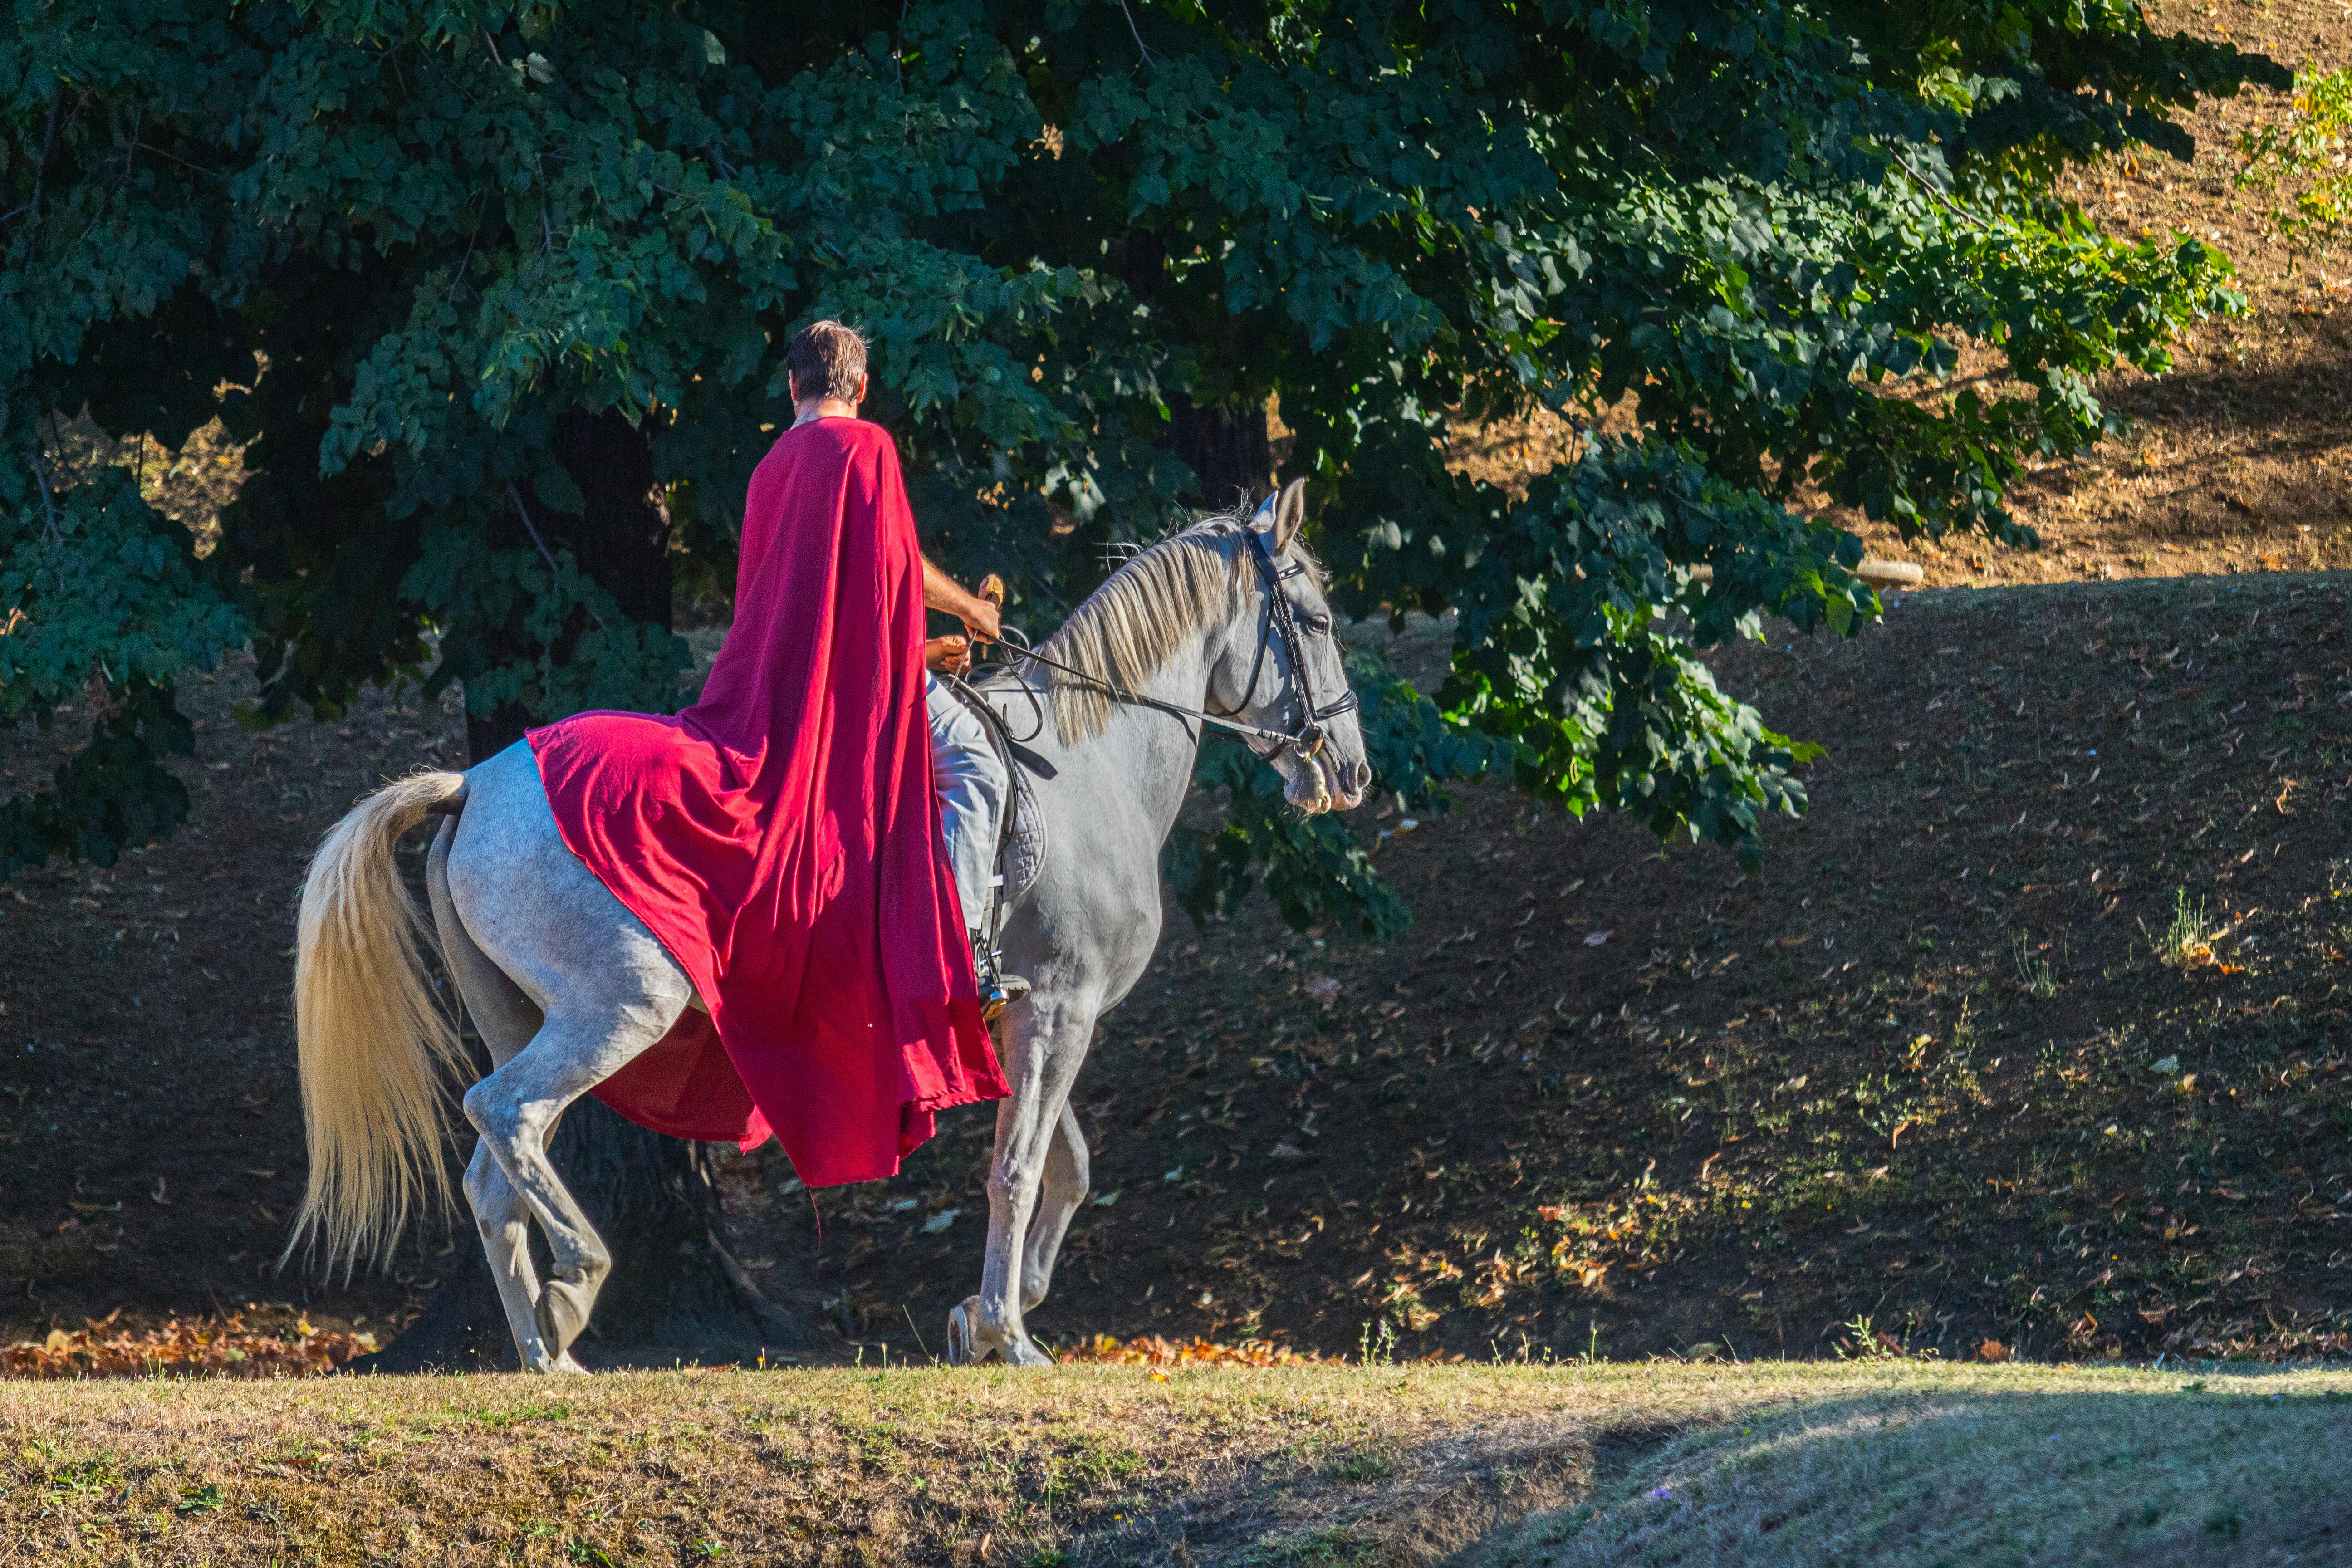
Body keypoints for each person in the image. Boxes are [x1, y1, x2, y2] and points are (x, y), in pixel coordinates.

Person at [784, 323, 1025, 1014]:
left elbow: (815, 616)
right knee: (978, 764)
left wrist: (918, 654)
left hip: (792, 692)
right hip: (859, 694)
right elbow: (895, 565)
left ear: (791, 387)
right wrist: (974, 616)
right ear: (861, 388)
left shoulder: (770, 471)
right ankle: (965, 955)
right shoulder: (866, 447)